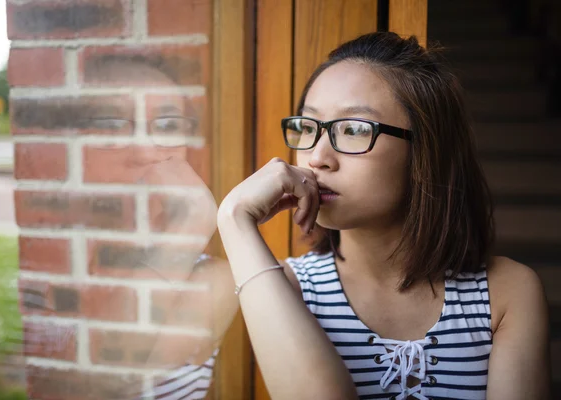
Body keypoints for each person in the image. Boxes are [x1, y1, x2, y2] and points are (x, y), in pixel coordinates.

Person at [216, 32, 551, 399]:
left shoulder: (506, 293)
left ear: (425, 150)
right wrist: (234, 219)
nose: (317, 157)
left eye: (355, 130)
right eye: (308, 127)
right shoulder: (287, 289)